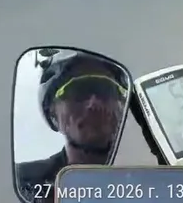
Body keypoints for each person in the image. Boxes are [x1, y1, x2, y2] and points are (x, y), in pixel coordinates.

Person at [15, 51, 130, 202]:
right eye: (78, 92)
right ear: (52, 113)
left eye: (106, 90)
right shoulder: (23, 181)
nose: (94, 104)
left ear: (123, 106)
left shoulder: (150, 180)